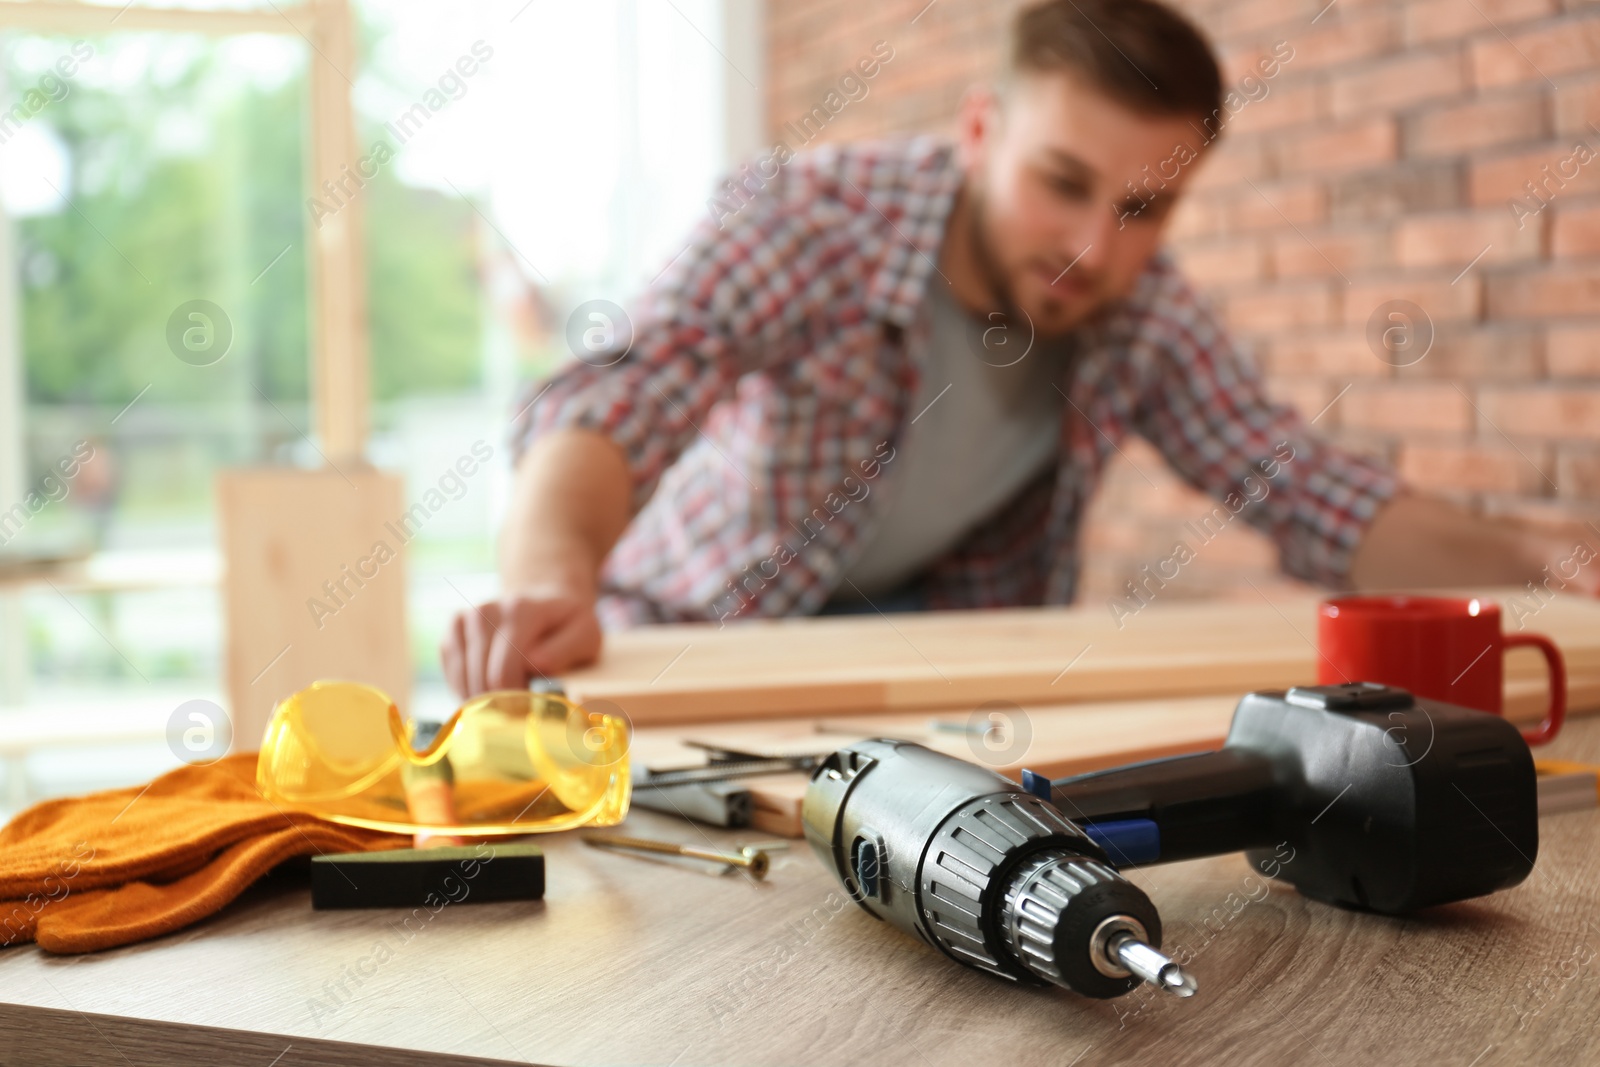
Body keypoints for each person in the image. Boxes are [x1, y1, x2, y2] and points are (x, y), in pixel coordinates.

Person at [439, 0, 1600, 698]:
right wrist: (551, 581)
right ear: (982, 133)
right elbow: (623, 392)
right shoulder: (808, 219)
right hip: (706, 650)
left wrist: (1550, 566)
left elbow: (1306, 490)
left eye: (1144, 208)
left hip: (940, 682)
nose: (1093, 247)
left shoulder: (1143, 311)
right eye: (1062, 184)